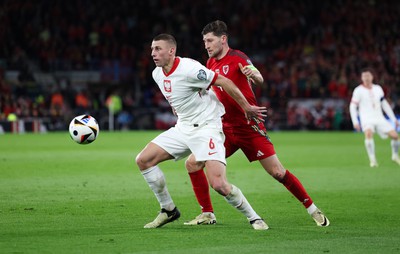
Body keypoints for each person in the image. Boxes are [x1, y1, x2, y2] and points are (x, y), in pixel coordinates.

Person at [184, 20, 330, 227]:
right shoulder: (210, 64)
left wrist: (255, 74)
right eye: (204, 41)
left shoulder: (238, 57)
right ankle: (207, 214)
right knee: (193, 163)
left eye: (210, 40)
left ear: (223, 39)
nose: (206, 45)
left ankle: (313, 209)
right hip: (223, 129)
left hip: (249, 126)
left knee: (277, 172)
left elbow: (257, 76)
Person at [136, 33, 269, 230]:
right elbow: (178, 94)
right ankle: (168, 209)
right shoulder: (157, 74)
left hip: (207, 129)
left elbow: (224, 82)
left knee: (219, 184)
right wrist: (177, 106)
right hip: (183, 128)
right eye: (152, 49)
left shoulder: (190, 68)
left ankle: (254, 217)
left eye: (158, 49)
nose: (153, 53)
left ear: (171, 51)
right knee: (143, 160)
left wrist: (246, 107)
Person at [349, 69, 400, 167]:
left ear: (372, 77)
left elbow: (384, 104)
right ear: (362, 78)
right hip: (366, 118)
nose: (367, 78)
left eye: (368, 76)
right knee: (368, 134)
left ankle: (395, 156)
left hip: (379, 118)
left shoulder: (378, 88)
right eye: (364, 76)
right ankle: (373, 160)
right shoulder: (358, 90)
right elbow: (352, 106)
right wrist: (355, 121)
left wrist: (393, 119)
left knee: (395, 136)